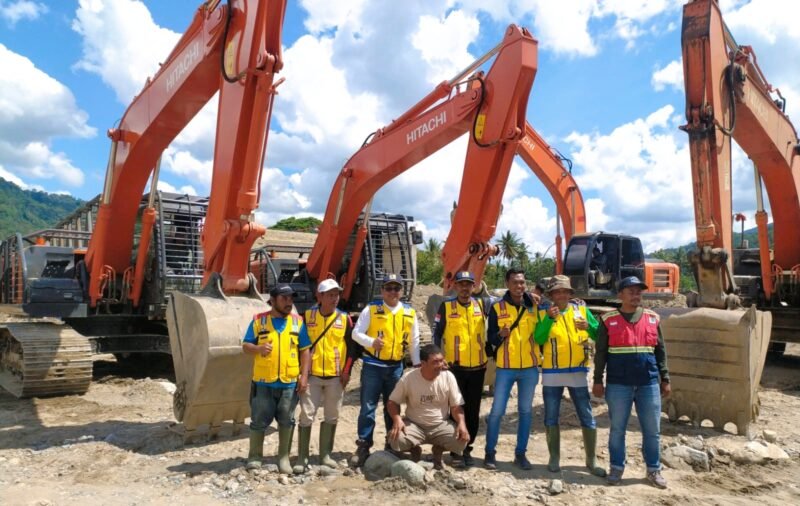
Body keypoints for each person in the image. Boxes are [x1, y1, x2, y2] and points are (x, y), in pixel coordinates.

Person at [593, 276, 671, 489]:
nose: (636, 295)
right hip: (619, 384)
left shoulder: (653, 318)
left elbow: (660, 351)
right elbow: (600, 353)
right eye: (631, 291)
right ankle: (617, 468)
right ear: (620, 295)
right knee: (618, 429)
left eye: (639, 291)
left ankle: (654, 470)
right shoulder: (608, 319)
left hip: (648, 384)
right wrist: (597, 380)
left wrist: (665, 379)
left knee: (652, 429)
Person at [534, 275, 606, 477]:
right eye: (557, 291)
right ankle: (554, 458)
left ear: (570, 294)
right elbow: (538, 338)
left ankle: (591, 460)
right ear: (552, 295)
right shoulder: (544, 313)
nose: (562, 295)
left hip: (577, 373)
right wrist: (549, 319)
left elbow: (599, 334)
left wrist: (589, 327)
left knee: (586, 415)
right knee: (551, 415)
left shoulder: (581, 311)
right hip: (552, 374)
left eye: (565, 291)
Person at [351, 274, 421, 466]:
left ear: (401, 291)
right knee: (368, 406)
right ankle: (364, 444)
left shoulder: (409, 312)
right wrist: (371, 342)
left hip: (396, 366)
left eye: (396, 288)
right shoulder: (372, 309)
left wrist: (416, 364)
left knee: (393, 407)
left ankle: (392, 444)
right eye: (388, 288)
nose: (392, 292)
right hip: (373, 364)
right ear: (382, 291)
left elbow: (414, 341)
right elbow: (356, 333)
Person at [242, 284, 310, 474]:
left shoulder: (298, 322)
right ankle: (255, 457)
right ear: (272, 300)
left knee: (287, 421)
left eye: (291, 298)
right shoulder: (259, 321)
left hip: (289, 383)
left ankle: (283, 458)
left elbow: (305, 350)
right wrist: (258, 349)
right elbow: (246, 345)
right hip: (263, 382)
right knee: (258, 421)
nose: (289, 302)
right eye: (284, 298)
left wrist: (304, 377)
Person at [295, 279, 357, 473]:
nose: (334, 298)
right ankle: (302, 457)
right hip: (312, 376)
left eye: (337, 295)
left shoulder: (344, 319)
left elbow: (353, 348)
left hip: (336, 377)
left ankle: (325, 455)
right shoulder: (306, 317)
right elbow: (299, 346)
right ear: (319, 297)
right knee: (306, 415)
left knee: (332, 415)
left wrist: (347, 371)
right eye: (330, 295)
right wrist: (301, 374)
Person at [484, 267, 540, 470]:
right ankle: (490, 453)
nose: (519, 286)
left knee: (525, 412)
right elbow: (489, 339)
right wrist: (500, 334)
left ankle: (520, 454)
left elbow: (550, 314)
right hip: (505, 368)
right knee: (497, 411)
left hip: (529, 369)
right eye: (515, 282)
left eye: (523, 282)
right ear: (507, 284)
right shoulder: (497, 308)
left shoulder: (534, 305)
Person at [432, 271, 487, 467]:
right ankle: (454, 450)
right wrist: (438, 359)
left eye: (469, 284)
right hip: (455, 369)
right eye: (461, 284)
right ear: (455, 286)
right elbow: (436, 335)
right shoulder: (446, 306)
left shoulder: (481, 305)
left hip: (478, 369)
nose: (465, 288)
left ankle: (467, 449)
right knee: (454, 409)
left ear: (474, 286)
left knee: (473, 411)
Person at [387, 344, 470, 469]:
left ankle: (438, 450)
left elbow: (455, 406)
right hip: (414, 425)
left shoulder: (448, 377)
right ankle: (414, 449)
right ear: (423, 363)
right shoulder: (408, 378)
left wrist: (461, 423)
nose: (440, 365)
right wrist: (397, 420)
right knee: (395, 439)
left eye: (441, 361)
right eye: (435, 362)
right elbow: (392, 402)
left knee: (462, 440)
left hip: (440, 425)